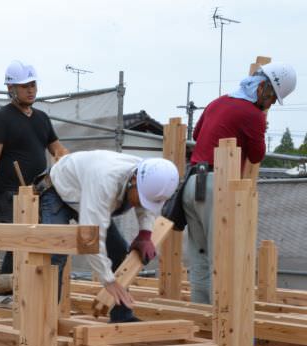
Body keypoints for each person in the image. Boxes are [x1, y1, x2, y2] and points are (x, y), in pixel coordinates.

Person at [183, 62, 296, 304]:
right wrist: (260, 128)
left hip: (192, 183)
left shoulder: (218, 102)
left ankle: (200, 316)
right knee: (221, 255)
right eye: (272, 98)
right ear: (262, 88)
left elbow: (196, 135)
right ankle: (225, 322)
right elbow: (256, 156)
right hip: (217, 185)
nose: (271, 104)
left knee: (200, 256)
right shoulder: (253, 115)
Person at [38, 150, 179, 322]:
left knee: (118, 250)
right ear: (133, 181)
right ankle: (43, 322)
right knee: (55, 255)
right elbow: (89, 240)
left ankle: (122, 317)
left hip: (87, 193)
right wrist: (108, 280)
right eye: (141, 199)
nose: (142, 204)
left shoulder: (150, 178)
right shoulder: (105, 182)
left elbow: (148, 206)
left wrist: (145, 233)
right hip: (59, 191)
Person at [0, 60, 68, 301]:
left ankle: (29, 294)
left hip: (40, 192)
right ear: (11, 89)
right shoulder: (0, 118)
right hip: (10, 192)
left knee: (39, 241)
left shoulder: (41, 118)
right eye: (24, 86)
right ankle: (5, 294)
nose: (30, 90)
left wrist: (71, 163)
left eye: (33, 85)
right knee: (17, 242)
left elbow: (57, 149)